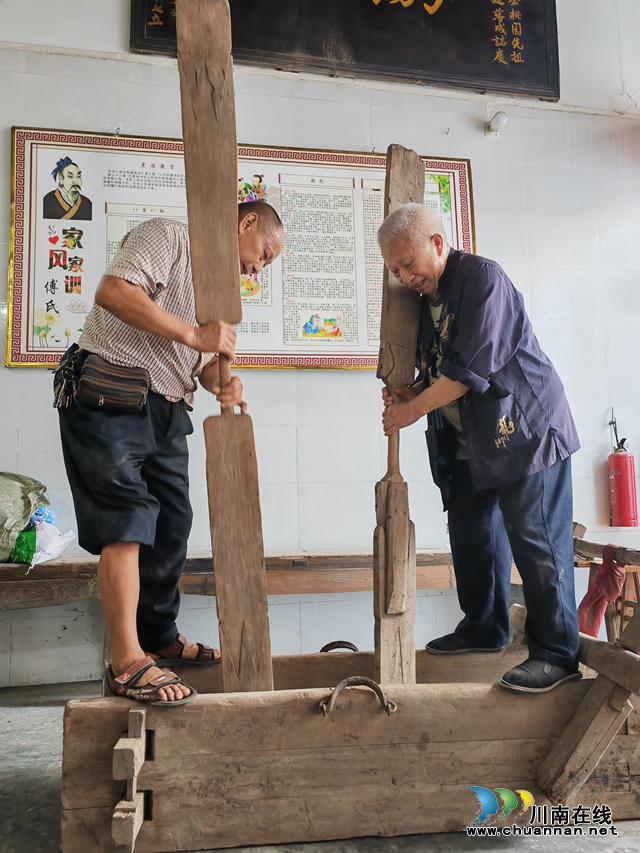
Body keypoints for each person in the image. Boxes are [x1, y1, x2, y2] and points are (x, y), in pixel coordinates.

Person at [55, 201, 285, 706]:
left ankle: (157, 636)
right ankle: (127, 660)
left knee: (173, 523)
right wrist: (193, 333)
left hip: (164, 408)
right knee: (127, 522)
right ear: (245, 223)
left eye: (266, 265)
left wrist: (225, 382)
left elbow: (201, 364)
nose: (258, 269)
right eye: (263, 253)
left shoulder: (221, 296)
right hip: (109, 393)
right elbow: (112, 291)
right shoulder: (169, 236)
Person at [378, 203, 581, 694]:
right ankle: (485, 627)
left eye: (409, 263)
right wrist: (412, 393)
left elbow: (469, 373)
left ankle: (557, 654)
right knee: (472, 535)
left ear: (438, 243)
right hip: (473, 443)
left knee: (536, 543)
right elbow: (439, 368)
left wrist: (412, 410)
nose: (405, 276)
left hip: (526, 432)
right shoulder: (425, 300)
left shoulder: (483, 280)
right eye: (395, 269)